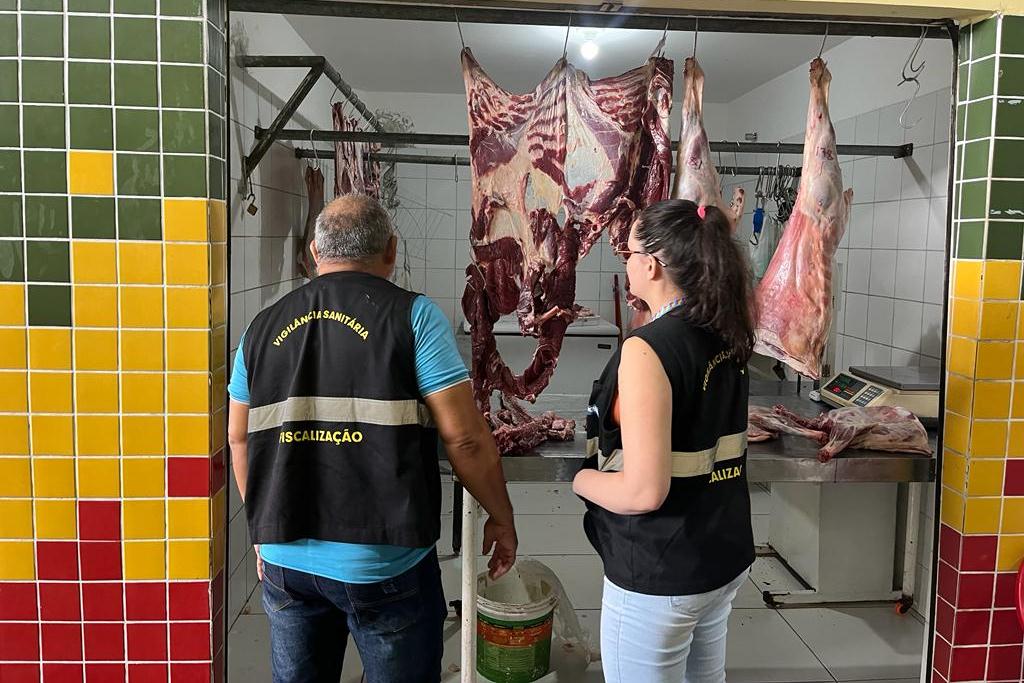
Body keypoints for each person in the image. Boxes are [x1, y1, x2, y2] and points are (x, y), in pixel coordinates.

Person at [227, 194, 517, 683]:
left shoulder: (261, 326)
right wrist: (501, 517)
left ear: (315, 253)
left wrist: (264, 530)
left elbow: (239, 438)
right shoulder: (413, 317)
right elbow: (465, 439)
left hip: (285, 559)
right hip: (384, 561)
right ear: (391, 250)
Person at [573, 200, 756, 683]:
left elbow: (643, 492)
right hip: (720, 554)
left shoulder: (649, 348)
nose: (627, 264)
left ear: (651, 265)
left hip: (661, 568)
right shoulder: (727, 330)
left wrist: (582, 480)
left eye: (629, 254)